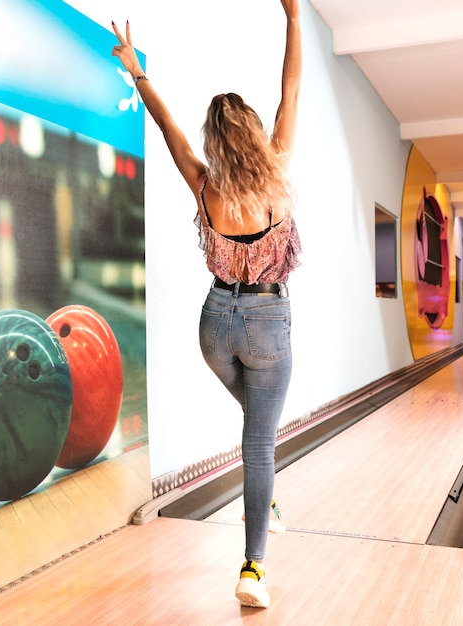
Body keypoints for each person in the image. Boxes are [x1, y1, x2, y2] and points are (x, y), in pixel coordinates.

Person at [112, 0, 302, 609]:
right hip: (269, 322)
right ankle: (252, 568)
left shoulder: (205, 187)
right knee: (259, 443)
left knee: (257, 433)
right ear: (250, 130)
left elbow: (167, 125)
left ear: (216, 141)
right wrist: (295, 20)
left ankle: (262, 483)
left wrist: (137, 72)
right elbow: (290, 84)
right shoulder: (276, 172)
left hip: (216, 324)